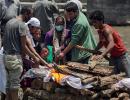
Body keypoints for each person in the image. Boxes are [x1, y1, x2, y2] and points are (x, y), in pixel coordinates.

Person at [3, 7, 40, 100]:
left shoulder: (9, 22)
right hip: (15, 57)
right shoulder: (22, 25)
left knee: (8, 83)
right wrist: (34, 57)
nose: (30, 18)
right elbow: (24, 46)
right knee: (15, 84)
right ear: (26, 13)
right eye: (30, 15)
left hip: (5, 56)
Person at [89, 10, 130, 77]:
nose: (93, 24)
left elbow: (111, 43)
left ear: (101, 21)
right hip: (113, 56)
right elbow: (101, 42)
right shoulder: (100, 30)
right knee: (113, 77)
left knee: (129, 76)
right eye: (92, 22)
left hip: (122, 56)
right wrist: (95, 51)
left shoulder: (106, 30)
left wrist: (102, 55)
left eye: (95, 22)